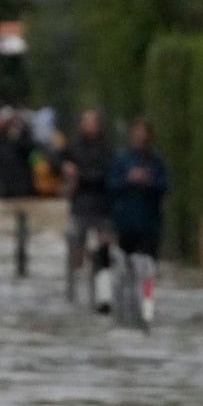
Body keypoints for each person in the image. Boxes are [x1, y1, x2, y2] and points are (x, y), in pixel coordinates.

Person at [60, 108, 115, 312]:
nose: (89, 126)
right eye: (86, 122)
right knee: (77, 246)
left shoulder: (107, 148)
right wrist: (65, 168)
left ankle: (104, 295)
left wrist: (80, 176)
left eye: (92, 122)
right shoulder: (73, 146)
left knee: (104, 249)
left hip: (102, 205)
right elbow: (55, 159)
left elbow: (106, 173)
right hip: (80, 205)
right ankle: (76, 288)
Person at [108, 118, 169, 260]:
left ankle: (148, 283)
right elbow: (111, 186)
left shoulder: (156, 160)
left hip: (150, 223)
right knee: (127, 263)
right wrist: (128, 180)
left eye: (143, 133)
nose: (140, 137)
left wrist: (149, 181)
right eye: (137, 133)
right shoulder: (121, 159)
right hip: (126, 223)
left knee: (148, 266)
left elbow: (164, 186)